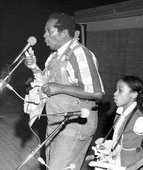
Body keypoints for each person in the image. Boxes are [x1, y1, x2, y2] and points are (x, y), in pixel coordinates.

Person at [24, 12, 104, 170]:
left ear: (65, 32)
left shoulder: (79, 53)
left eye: (49, 31)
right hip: (57, 121)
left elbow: (96, 92)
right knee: (52, 166)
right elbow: (47, 84)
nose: (44, 35)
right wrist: (34, 67)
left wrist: (59, 88)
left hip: (75, 124)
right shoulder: (55, 56)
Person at [90, 75, 143, 170]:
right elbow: (119, 138)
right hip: (116, 158)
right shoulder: (119, 113)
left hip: (130, 162)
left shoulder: (139, 120)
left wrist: (135, 166)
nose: (115, 94)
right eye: (116, 90)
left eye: (120, 90)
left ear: (133, 95)